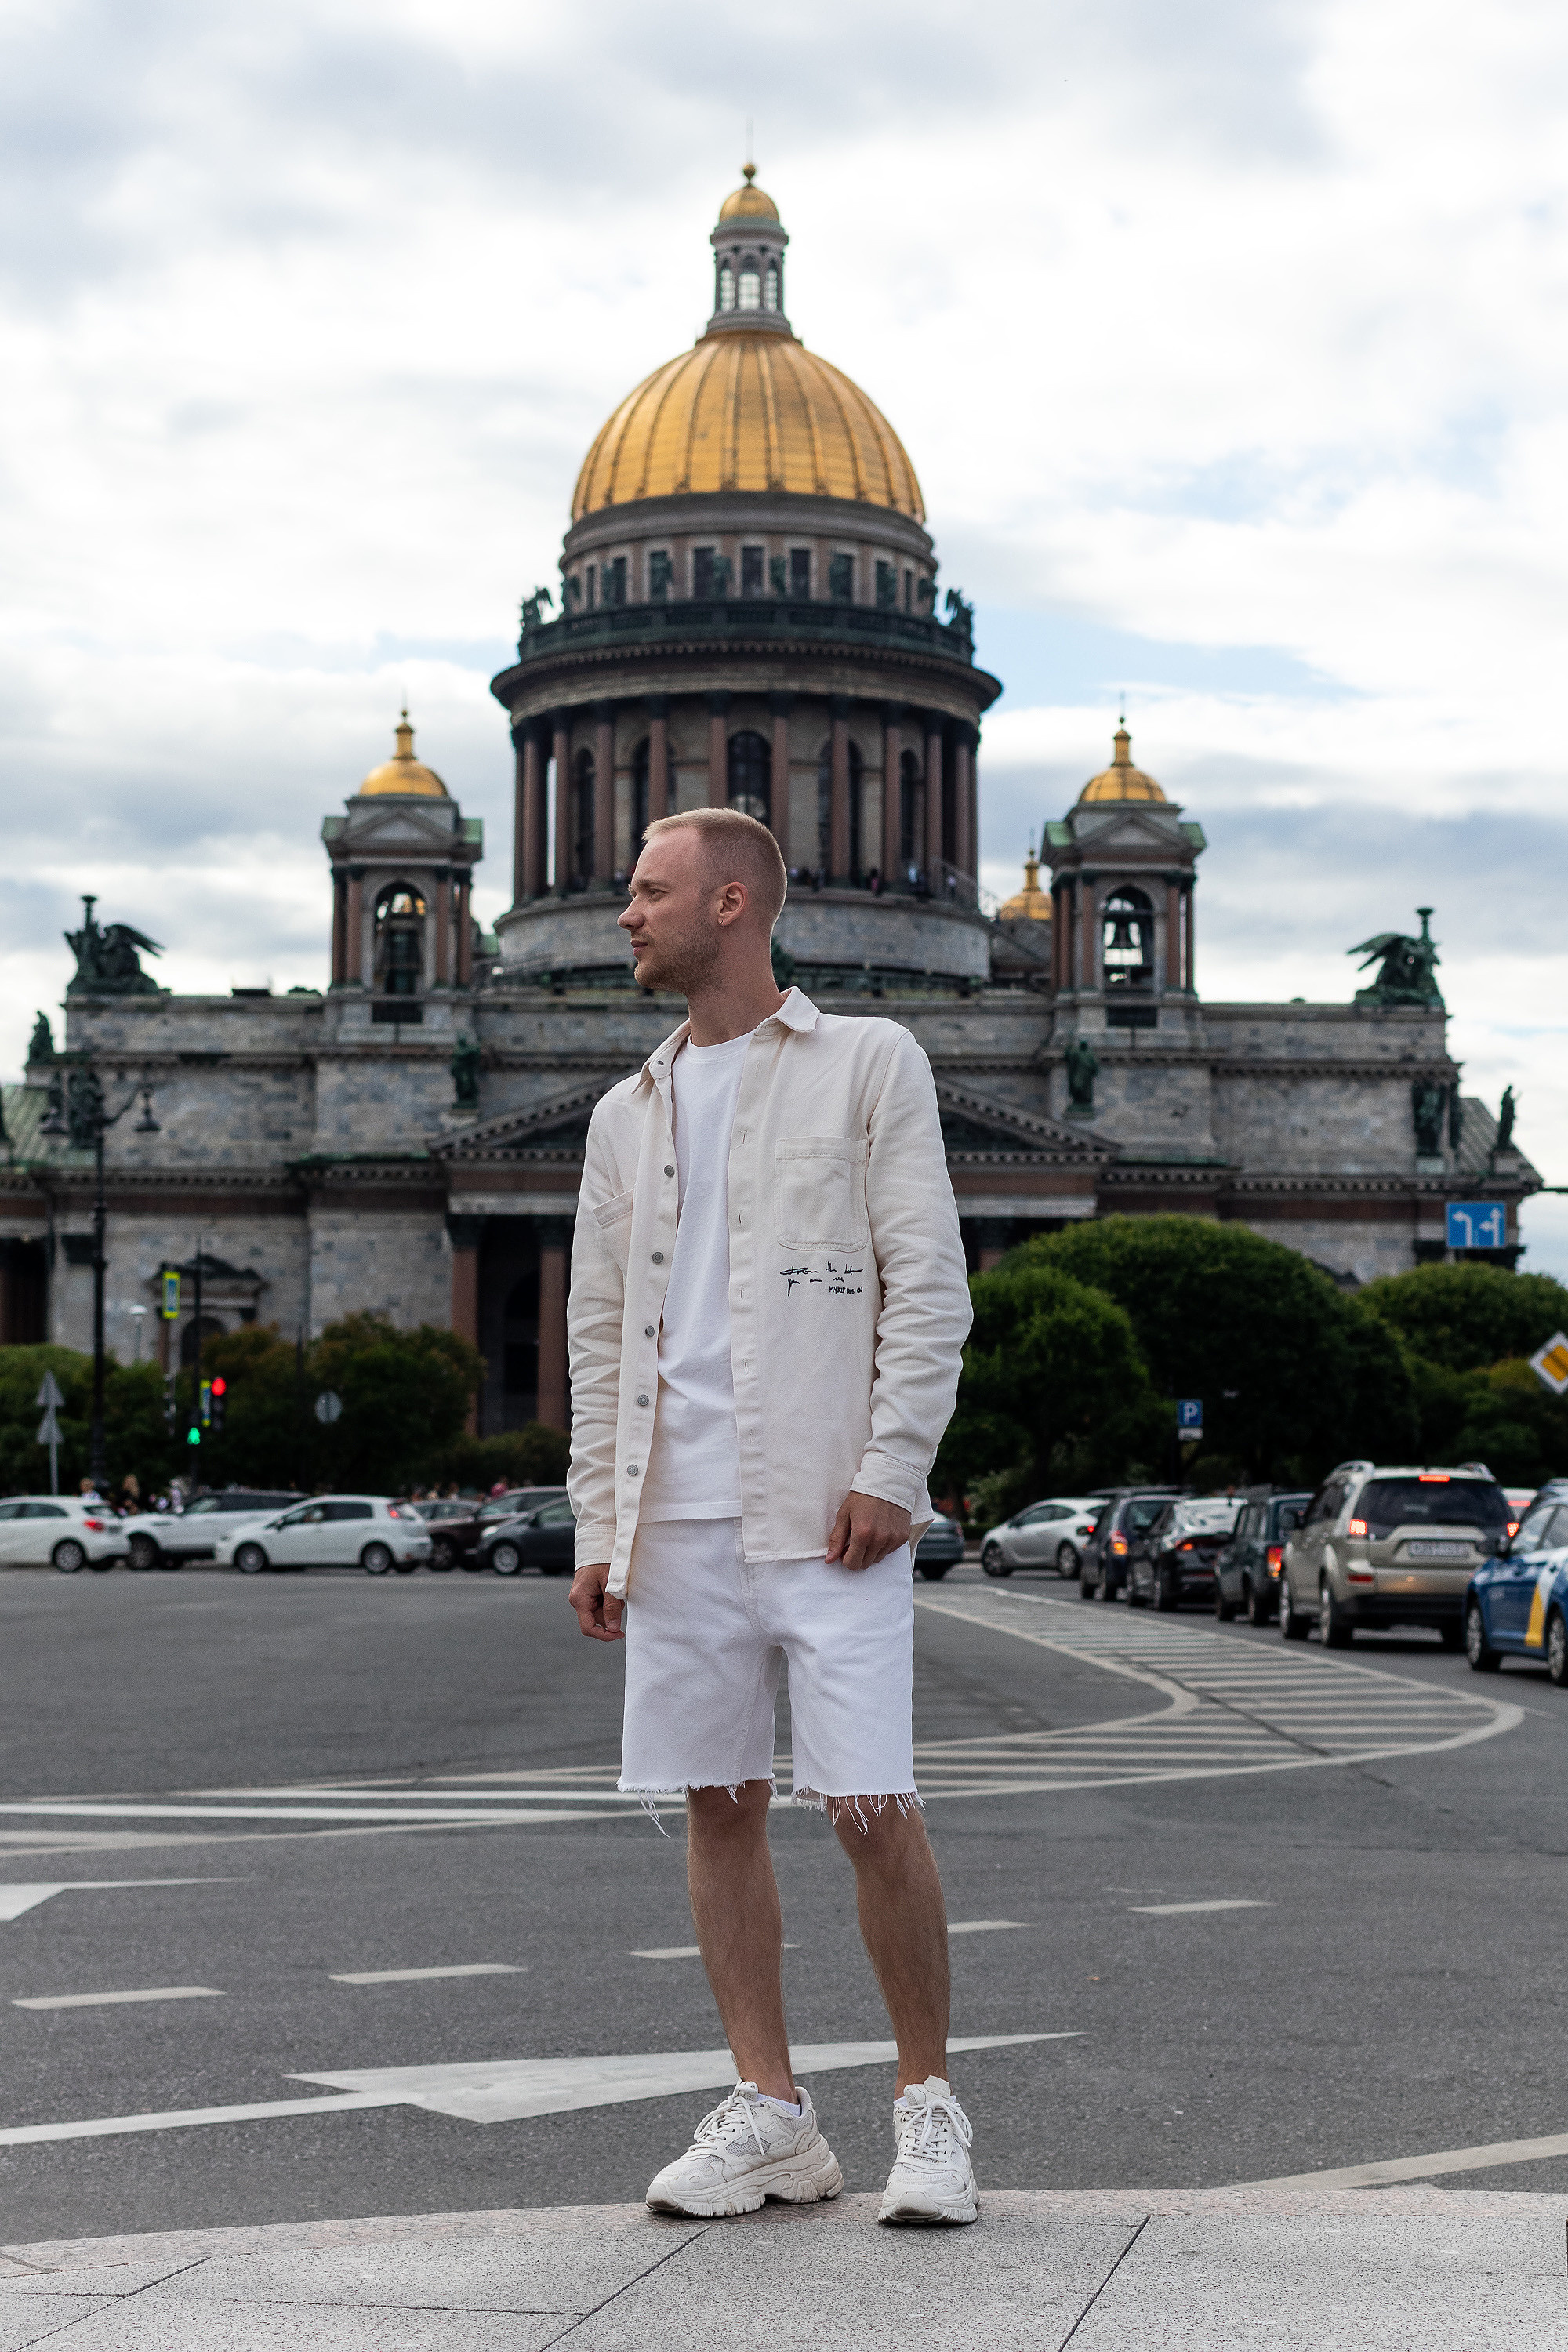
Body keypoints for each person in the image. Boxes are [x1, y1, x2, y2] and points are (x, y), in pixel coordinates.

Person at [568, 807, 976, 2227]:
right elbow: (603, 1334)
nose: (624, 915)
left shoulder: (871, 1061)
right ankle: (774, 2113)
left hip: (828, 1508)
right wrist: (594, 1524)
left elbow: (927, 1285)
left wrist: (893, 1466)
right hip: (671, 1512)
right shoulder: (627, 1112)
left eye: (649, 891)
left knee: (870, 1805)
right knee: (717, 1806)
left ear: (732, 903)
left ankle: (928, 2107)